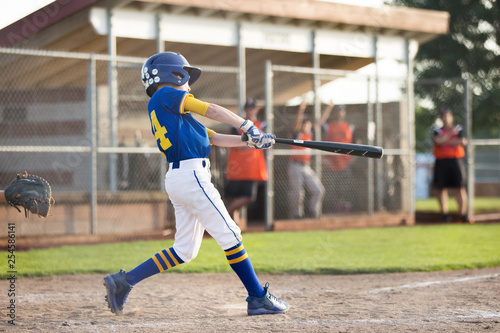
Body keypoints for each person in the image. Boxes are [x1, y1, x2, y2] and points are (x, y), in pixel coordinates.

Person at [103, 52, 289, 316]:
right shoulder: (165, 95)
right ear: (172, 75)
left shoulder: (176, 114)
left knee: (185, 250)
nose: (189, 86)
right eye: (186, 78)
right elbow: (210, 109)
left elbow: (216, 138)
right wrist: (247, 124)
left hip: (183, 178)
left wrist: (252, 140)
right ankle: (258, 297)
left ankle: (125, 281)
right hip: (191, 177)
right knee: (230, 234)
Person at [224, 98, 268, 228]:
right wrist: (253, 142)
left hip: (252, 168)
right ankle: (235, 225)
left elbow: (264, 140)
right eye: (248, 108)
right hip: (236, 167)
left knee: (249, 197)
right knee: (231, 196)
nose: (250, 111)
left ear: (256, 109)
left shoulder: (261, 124)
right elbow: (236, 144)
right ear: (245, 110)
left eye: (252, 108)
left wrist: (249, 142)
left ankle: (226, 214)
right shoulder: (237, 124)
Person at [288, 101, 325, 219]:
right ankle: (296, 215)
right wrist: (301, 109)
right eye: (303, 123)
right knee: (298, 193)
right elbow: (297, 123)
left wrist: (329, 107)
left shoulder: (310, 134)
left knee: (318, 190)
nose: (305, 125)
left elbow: (320, 122)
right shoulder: (297, 133)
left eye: (307, 123)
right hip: (295, 166)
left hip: (306, 166)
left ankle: (313, 212)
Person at [432, 107, 469, 223]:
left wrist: (445, 140)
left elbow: (463, 142)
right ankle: (445, 215)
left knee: (460, 187)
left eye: (447, 116)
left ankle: (462, 215)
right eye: (443, 116)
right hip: (441, 162)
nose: (445, 118)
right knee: (441, 188)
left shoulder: (458, 129)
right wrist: (450, 135)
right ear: (440, 118)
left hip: (455, 161)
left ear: (451, 117)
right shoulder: (437, 130)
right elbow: (437, 141)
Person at [318, 102, 354, 213]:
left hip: (344, 164)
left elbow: (356, 144)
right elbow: (318, 129)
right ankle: (330, 211)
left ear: (344, 113)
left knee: (344, 190)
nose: (340, 113)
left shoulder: (349, 127)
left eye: (342, 111)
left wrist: (351, 160)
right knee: (330, 191)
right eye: (338, 111)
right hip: (331, 165)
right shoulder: (328, 126)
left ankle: (342, 210)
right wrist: (323, 160)